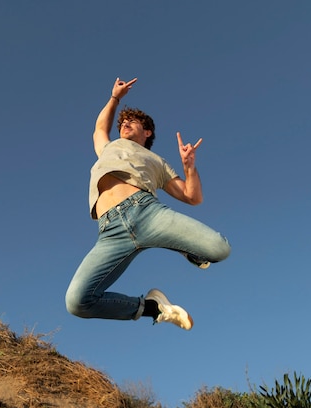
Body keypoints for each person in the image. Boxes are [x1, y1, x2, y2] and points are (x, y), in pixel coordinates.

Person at [65, 77, 231, 330]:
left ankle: (189, 248)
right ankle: (153, 308)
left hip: (146, 213)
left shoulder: (157, 161)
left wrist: (189, 167)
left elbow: (192, 196)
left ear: (147, 131)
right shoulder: (109, 147)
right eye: (122, 122)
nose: (124, 124)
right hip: (110, 233)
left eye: (132, 121)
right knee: (77, 302)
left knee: (219, 249)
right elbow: (100, 128)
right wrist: (115, 98)